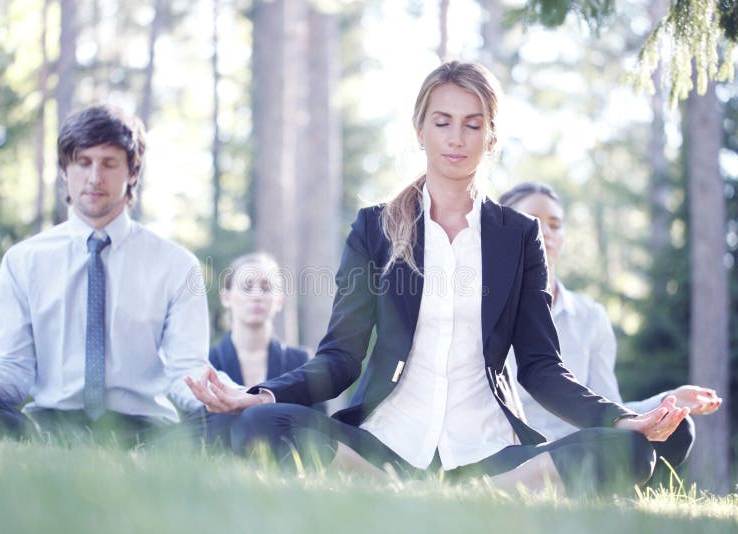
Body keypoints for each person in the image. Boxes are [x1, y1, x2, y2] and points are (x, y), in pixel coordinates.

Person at [185, 61, 688, 495]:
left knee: (630, 450)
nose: (456, 138)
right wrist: (264, 394)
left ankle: (478, 491)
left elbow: (541, 367)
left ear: (490, 136)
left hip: (490, 447)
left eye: (473, 125)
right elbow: (340, 358)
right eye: (442, 122)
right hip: (385, 440)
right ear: (420, 129)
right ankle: (403, 486)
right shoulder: (375, 227)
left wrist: (621, 419)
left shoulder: (519, 236)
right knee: (258, 425)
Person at [0, 104, 231, 444]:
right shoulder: (23, 260)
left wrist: (234, 397)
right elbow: (13, 372)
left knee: (238, 423)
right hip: (47, 426)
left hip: (147, 431)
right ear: (65, 169)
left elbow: (186, 370)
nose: (94, 178)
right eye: (83, 162)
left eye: (109, 164)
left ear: (132, 172)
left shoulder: (177, 265)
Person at [499, 181, 721, 471]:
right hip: (512, 449)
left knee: (678, 431)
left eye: (555, 225)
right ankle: (553, 477)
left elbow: (609, 407)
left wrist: (667, 403)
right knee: (627, 454)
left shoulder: (591, 317)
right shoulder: (487, 308)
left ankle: (571, 476)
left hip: (577, 443)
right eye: (532, 222)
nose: (545, 233)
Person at [187, 252, 313, 447]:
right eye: (247, 286)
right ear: (226, 297)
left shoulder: (301, 362)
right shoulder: (205, 361)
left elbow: (316, 426)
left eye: (265, 287)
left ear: (279, 300)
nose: (256, 295)